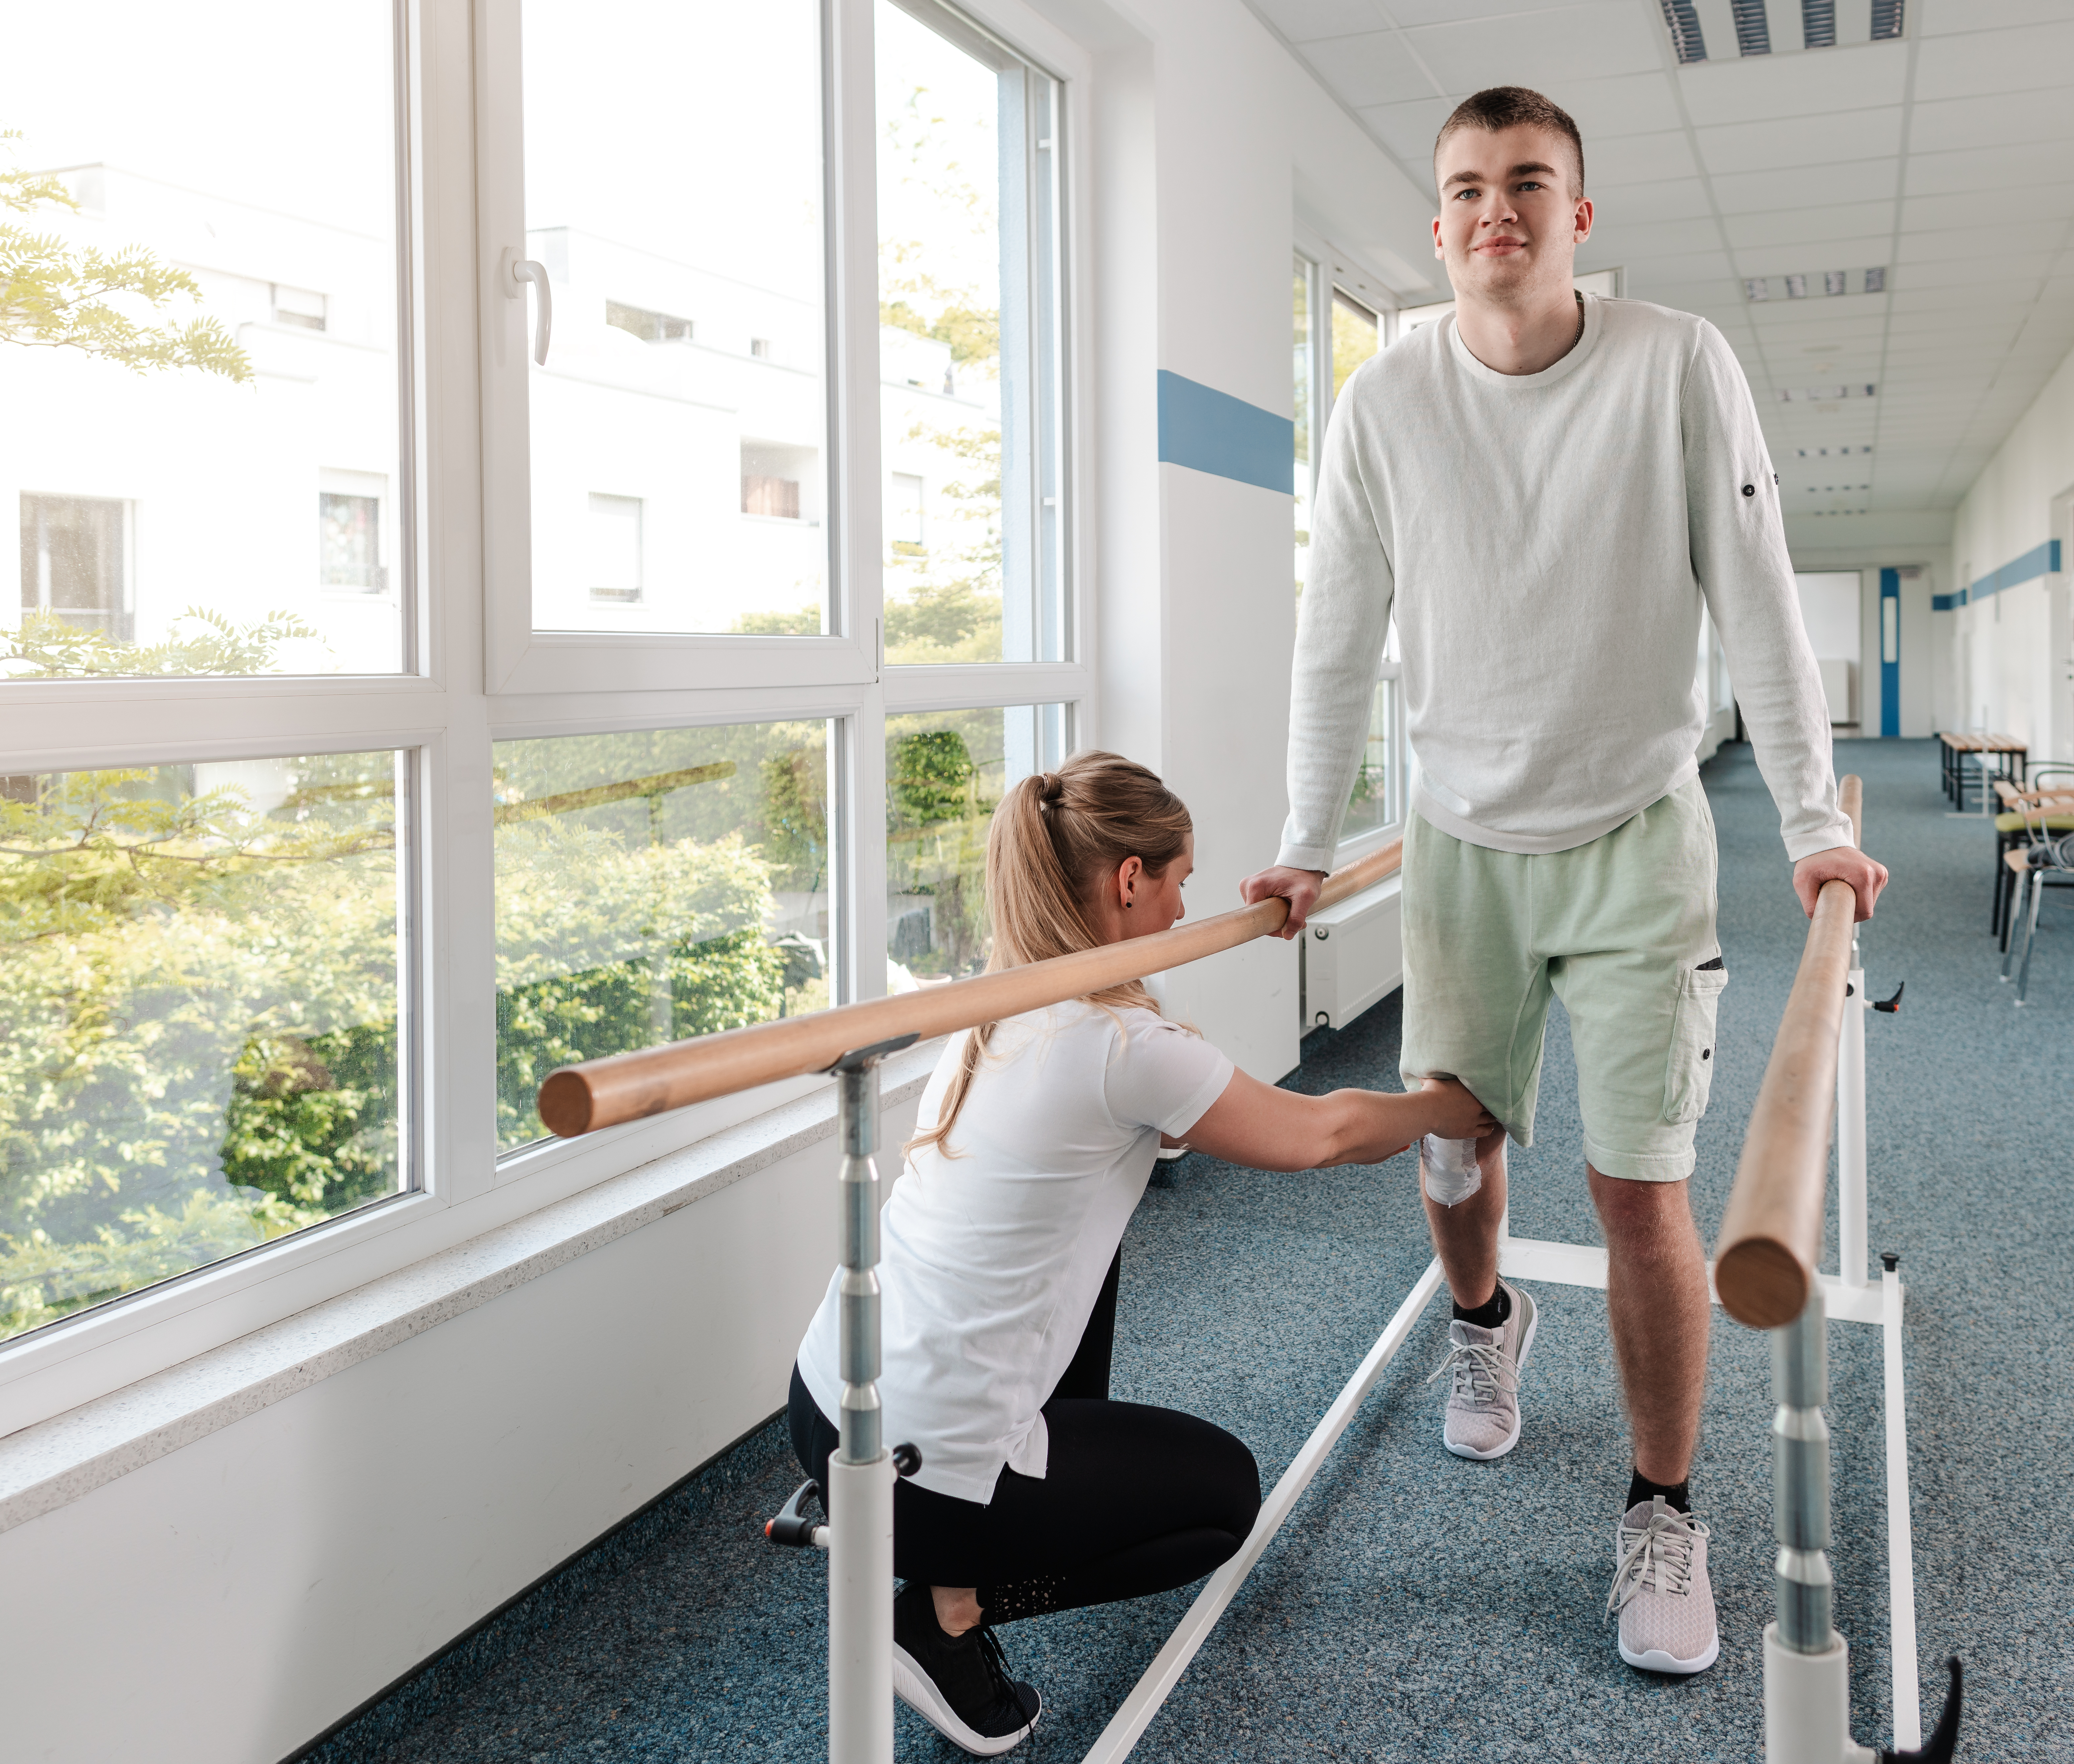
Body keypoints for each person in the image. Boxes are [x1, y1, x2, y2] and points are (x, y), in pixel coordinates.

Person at [1241, 86, 1890, 1678]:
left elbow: (1754, 599)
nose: (1493, 214)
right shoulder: (1383, 403)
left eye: (1527, 184)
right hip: (1461, 843)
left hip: (1629, 839)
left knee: (1636, 1192)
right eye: (1463, 189)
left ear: (1576, 216)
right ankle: (1481, 1332)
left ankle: (1661, 1505)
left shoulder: (1674, 364)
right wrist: (1308, 838)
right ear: (1437, 223)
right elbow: (1336, 638)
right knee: (1454, 1158)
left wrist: (1810, 821)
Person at [790, 750, 1495, 1756]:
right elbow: (1322, 1135)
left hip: (826, 1405)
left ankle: (958, 1545)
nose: (1182, 908)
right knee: (1219, 1501)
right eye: (1179, 883)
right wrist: (1461, 1105)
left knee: (1097, 1236)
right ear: (1130, 881)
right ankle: (944, 1615)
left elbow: (1138, 1127)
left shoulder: (1003, 1004)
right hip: (915, 1467)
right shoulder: (1124, 1049)